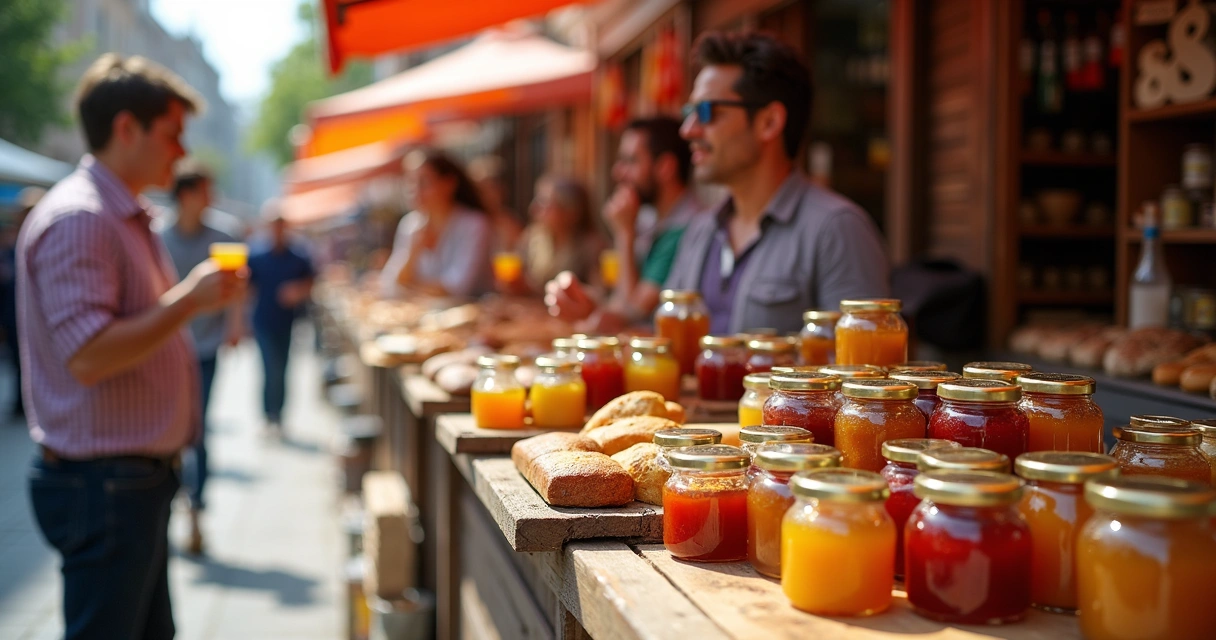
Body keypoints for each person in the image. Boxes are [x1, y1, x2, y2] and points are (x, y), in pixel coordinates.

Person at [18, 53, 245, 639]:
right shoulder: (83, 219)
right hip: (106, 483)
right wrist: (190, 301)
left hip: (123, 479)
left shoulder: (116, 215)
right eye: (171, 134)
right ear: (127, 128)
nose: (180, 151)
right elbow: (90, 354)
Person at [547, 31, 890, 333]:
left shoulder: (837, 230)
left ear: (769, 122)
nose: (689, 130)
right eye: (688, 113)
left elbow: (864, 383)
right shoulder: (702, 231)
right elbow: (668, 345)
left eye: (707, 112)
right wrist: (596, 314)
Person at [158, 161, 243, 555]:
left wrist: (235, 325)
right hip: (162, 350)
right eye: (207, 191)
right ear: (187, 195)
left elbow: (238, 286)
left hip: (205, 348)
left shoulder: (222, 235)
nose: (213, 199)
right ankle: (173, 500)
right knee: (169, 428)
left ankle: (195, 507)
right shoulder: (157, 237)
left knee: (197, 427)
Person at [586, 117, 703, 331]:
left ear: (666, 167)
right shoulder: (650, 218)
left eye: (630, 161)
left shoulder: (687, 227)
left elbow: (633, 311)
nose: (618, 172)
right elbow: (618, 302)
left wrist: (624, 233)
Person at [380, 149, 492, 298]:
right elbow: (389, 286)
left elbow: (457, 288)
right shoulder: (410, 224)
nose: (414, 190)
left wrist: (409, 287)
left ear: (449, 184)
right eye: (410, 182)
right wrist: (414, 252)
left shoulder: (474, 225)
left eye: (423, 182)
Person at [247, 203, 315, 433]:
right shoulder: (256, 256)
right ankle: (269, 414)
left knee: (283, 368)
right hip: (263, 321)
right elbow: (245, 289)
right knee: (268, 368)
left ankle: (279, 415)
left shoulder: (298, 256)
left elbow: (311, 282)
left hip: (287, 322)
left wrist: (297, 291)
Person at [506, 175, 603, 294]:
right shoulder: (532, 239)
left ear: (571, 211)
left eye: (544, 202)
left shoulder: (591, 248)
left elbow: (599, 294)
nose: (534, 208)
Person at [1, 187, 43, 419]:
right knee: (18, 360)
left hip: (32, 314)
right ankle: (22, 402)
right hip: (14, 313)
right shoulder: (14, 242)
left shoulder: (41, 238)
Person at [468, 155, 523, 253]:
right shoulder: (465, 222)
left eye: (489, 187)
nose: (483, 194)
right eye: (478, 188)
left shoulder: (510, 226)